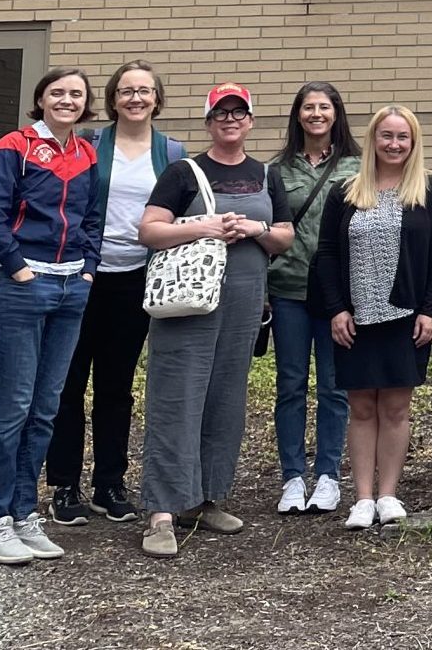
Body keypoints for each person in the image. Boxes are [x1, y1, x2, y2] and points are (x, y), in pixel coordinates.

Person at [136, 82, 295, 558]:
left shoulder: (267, 175)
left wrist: (256, 228)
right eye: (220, 112)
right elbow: (148, 229)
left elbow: (285, 236)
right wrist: (207, 226)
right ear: (208, 121)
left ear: (250, 121)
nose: (230, 119)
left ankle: (203, 499)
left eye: (239, 112)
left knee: (225, 399)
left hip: (244, 302)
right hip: (187, 303)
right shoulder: (183, 172)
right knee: (177, 398)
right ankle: (162, 511)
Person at [0, 67, 104, 565]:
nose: (66, 100)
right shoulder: (15, 145)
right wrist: (20, 270)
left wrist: (88, 271)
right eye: (58, 92)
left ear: (86, 104)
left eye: (76, 94)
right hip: (20, 286)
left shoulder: (86, 152)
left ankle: (24, 514)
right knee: (14, 407)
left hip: (72, 287)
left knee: (46, 407)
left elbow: (91, 219)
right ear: (41, 99)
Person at [43, 60, 185, 528]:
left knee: (116, 386)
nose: (136, 98)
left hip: (137, 278)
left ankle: (109, 482)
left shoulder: (171, 152)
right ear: (113, 99)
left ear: (156, 99)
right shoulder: (90, 145)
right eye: (126, 91)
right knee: (68, 383)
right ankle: (64, 483)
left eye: (144, 91)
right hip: (83, 276)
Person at [311, 106, 432, 530]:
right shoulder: (346, 192)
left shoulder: (431, 189)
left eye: (402, 137)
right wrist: (336, 309)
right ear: (372, 140)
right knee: (360, 408)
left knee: (395, 407)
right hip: (355, 319)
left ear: (414, 143)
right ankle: (362, 499)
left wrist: (429, 310)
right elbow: (327, 256)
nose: (394, 144)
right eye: (386, 136)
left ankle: (389, 494)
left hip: (406, 317)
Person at [266, 82, 362, 516]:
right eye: (309, 107)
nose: (317, 114)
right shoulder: (276, 170)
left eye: (325, 107)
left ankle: (328, 475)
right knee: (289, 385)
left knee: (334, 387)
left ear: (337, 113)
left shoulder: (359, 166)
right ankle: (291, 477)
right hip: (287, 288)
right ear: (297, 115)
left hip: (339, 293)